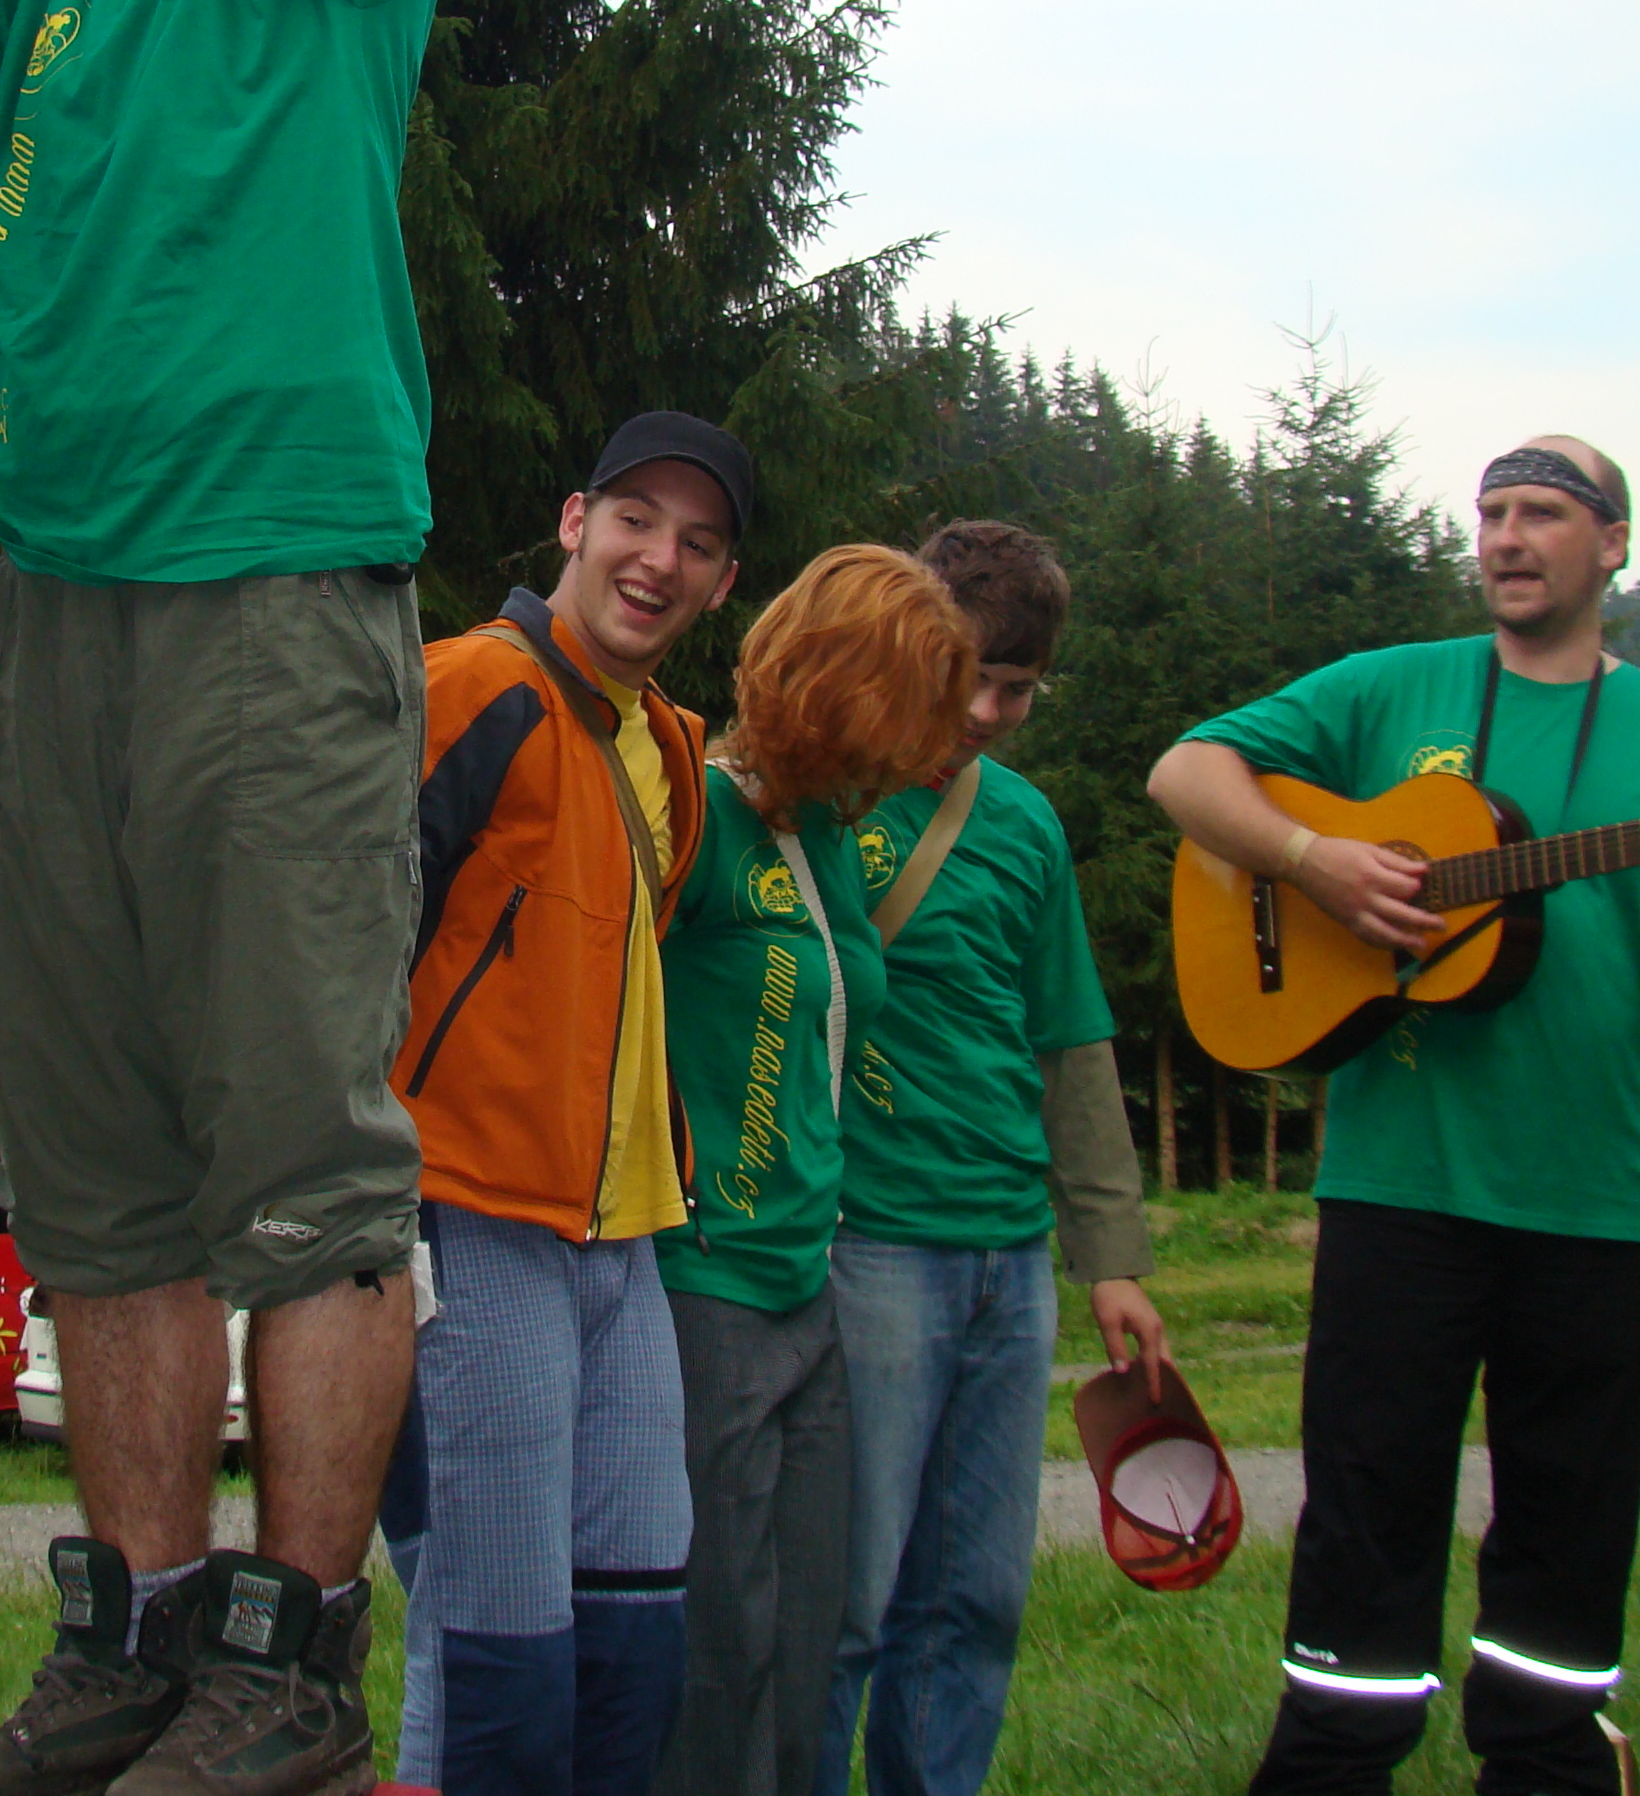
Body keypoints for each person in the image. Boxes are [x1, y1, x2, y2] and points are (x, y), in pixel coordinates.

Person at [0, 0, 448, 1793]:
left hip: (271, 595)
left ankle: (291, 1660)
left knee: (305, 1172)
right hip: (45, 616)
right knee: (97, 1179)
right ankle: (131, 1643)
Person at [1147, 438, 1640, 1796]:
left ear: (1611, 545)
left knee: (1571, 1533)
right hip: (1400, 1190)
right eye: (1493, 512)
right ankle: (1331, 1767)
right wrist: (1314, 860)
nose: (1507, 536)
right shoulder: (1393, 688)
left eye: (1543, 514)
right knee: (1364, 1523)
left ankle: (1549, 1764)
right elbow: (1185, 774)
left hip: (1603, 1199)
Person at [384, 411, 753, 1796]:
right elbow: (339, 937)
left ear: (723, 583)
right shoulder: (470, 684)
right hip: (469, 1220)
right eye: (636, 520)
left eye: (698, 543)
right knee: (496, 1662)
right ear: (574, 522)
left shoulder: (675, 755)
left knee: (632, 1655)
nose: (659, 559)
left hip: (627, 1245)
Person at [813, 521, 1171, 1796]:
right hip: (867, 1246)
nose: (983, 710)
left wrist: (1110, 1257)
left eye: (1015, 688)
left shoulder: (1025, 825)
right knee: (849, 1599)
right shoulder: (821, 792)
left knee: (974, 1597)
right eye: (964, 674)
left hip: (1012, 1264)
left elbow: (1071, 1043)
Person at [655, 546, 979, 1796]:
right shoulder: (695, 813)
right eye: (902, 724)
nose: (909, 766)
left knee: (814, 1634)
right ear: (835, 692)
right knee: (720, 1638)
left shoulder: (831, 834)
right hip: (703, 1284)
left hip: (809, 1279)